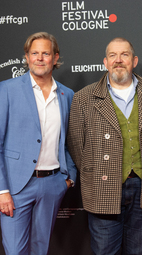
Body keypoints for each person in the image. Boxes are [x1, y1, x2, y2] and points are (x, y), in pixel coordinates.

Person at [67, 37, 142, 255]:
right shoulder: (84, 98)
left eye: (125, 55)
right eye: (113, 55)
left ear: (134, 60)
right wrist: (94, 172)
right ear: (105, 62)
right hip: (102, 187)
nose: (118, 60)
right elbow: (76, 145)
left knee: (139, 251)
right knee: (105, 252)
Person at [0, 32, 77, 255]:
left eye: (45, 53)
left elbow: (69, 141)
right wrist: (2, 190)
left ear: (55, 58)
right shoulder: (6, 90)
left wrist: (69, 178)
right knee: (15, 251)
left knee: (40, 249)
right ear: (27, 57)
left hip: (53, 184)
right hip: (15, 187)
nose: (40, 58)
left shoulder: (66, 94)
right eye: (35, 53)